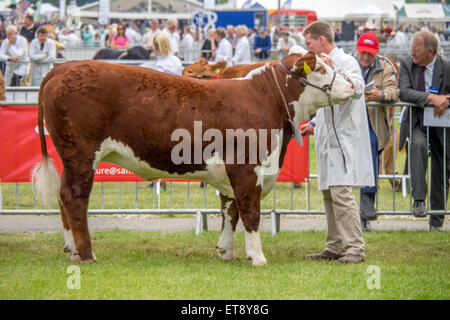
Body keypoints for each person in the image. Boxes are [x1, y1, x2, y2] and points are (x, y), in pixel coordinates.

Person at [299, 21, 374, 263]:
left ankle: (355, 249)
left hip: (344, 137)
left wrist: (334, 72)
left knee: (341, 192)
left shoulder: (346, 62)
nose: (307, 47)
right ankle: (334, 245)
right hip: (327, 137)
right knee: (329, 194)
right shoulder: (320, 64)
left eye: (309, 42)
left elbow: (357, 88)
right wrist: (314, 124)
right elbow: (324, 102)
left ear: (322, 40)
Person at [398, 31, 450, 231]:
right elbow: (404, 91)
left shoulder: (446, 67)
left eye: (416, 50)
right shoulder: (407, 64)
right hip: (417, 123)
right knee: (417, 145)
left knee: (440, 170)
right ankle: (418, 200)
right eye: (411, 49)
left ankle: (436, 221)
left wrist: (444, 100)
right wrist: (431, 98)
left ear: (430, 52)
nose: (412, 53)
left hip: (441, 126)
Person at [354, 32, 400, 231]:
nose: (365, 58)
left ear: (376, 53)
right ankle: (361, 209)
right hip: (349, 119)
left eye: (370, 54)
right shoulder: (346, 63)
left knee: (371, 147)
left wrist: (379, 95)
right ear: (357, 49)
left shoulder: (386, 66)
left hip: (373, 119)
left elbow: (395, 91)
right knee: (366, 148)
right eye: (363, 53)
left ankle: (366, 205)